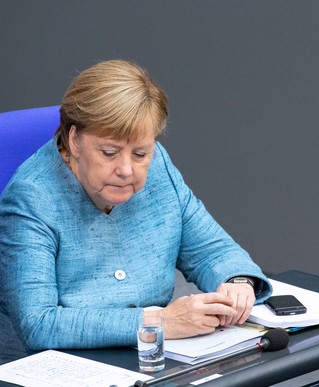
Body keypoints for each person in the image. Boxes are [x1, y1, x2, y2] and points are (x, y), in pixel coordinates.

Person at [0, 60, 272, 363]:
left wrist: (237, 283)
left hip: (149, 359)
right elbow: (39, 323)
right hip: (50, 366)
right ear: (74, 140)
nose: (127, 170)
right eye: (109, 152)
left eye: (140, 153)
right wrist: (161, 321)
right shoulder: (31, 197)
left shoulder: (157, 167)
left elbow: (211, 248)